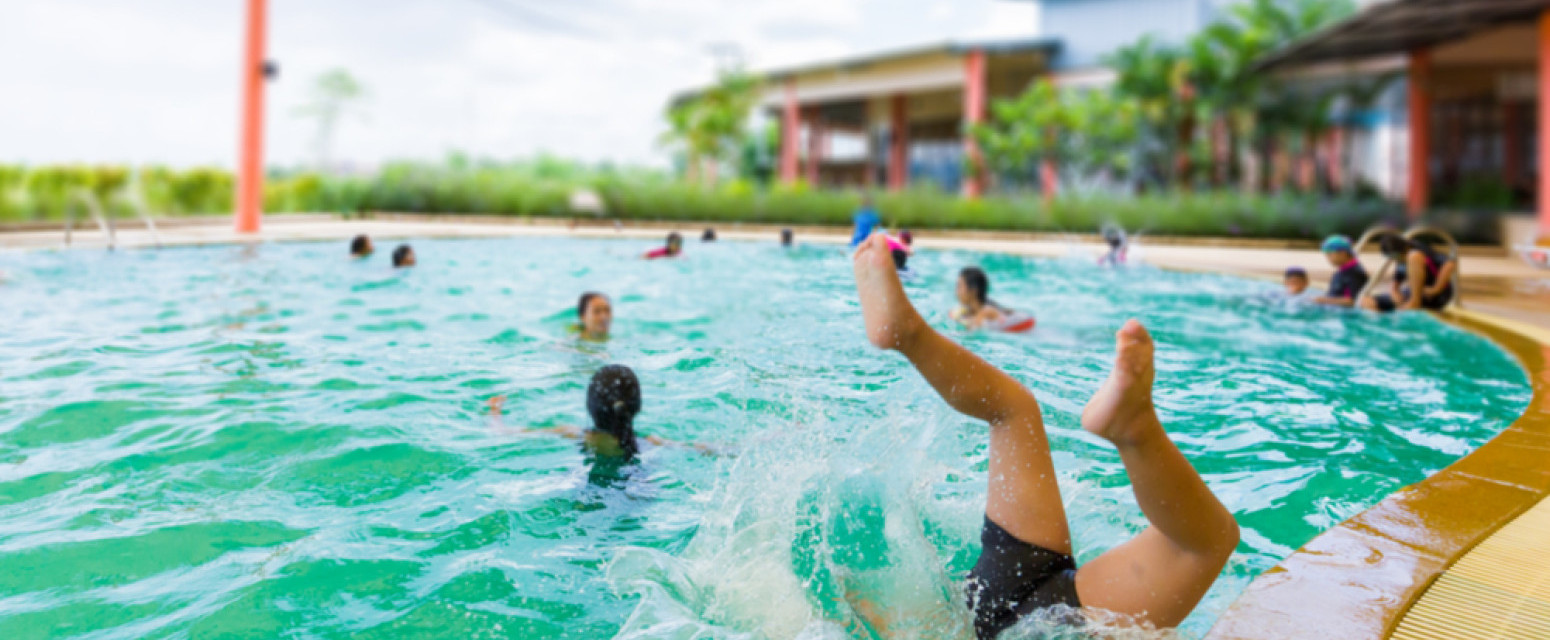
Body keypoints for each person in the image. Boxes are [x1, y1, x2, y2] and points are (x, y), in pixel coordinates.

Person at [849, 234, 1238, 639]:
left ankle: (1135, 430)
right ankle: (909, 334)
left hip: (1026, 612)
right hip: (1012, 585)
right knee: (1011, 409)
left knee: (1206, 543)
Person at [1363, 235, 1456, 312]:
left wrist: (1436, 289)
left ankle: (1415, 302)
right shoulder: (1401, 260)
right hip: (1412, 294)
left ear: (1404, 248)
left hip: (1435, 296)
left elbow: (1449, 264)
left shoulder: (1417, 251)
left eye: (1394, 255)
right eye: (1390, 256)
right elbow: (1395, 285)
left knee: (1413, 256)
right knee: (1367, 302)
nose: (1394, 259)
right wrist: (1395, 294)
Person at [951, 267, 1034, 333]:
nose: (956, 291)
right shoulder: (967, 311)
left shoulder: (986, 311)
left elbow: (971, 332)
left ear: (973, 290)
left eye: (959, 286)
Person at [1311, 235, 1367, 308]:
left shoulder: (1354, 273)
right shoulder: (1343, 271)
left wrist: (1323, 300)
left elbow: (1354, 301)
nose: (1327, 258)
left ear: (1342, 253)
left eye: (1329, 254)